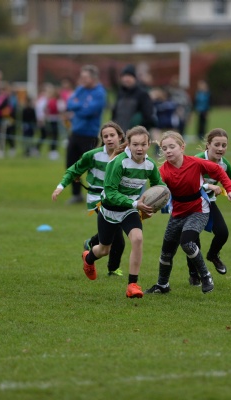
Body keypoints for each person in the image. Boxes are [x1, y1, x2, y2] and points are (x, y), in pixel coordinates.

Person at [145, 130, 231, 295]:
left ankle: (206, 276)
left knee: (187, 243)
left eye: (172, 147)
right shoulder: (163, 171)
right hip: (178, 213)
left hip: (199, 209)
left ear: (182, 147)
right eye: (164, 148)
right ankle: (162, 285)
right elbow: (157, 194)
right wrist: (149, 208)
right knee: (166, 253)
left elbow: (219, 171)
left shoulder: (196, 163)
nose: (168, 151)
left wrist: (230, 189)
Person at [82, 125, 165, 298]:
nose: (139, 148)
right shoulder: (118, 163)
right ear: (128, 144)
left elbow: (159, 187)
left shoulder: (149, 165)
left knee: (138, 238)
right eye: (135, 144)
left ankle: (132, 285)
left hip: (129, 210)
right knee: (104, 249)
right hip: (109, 209)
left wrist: (155, 205)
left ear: (149, 144)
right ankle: (88, 258)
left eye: (143, 144)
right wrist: (135, 204)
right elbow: (110, 193)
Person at [52, 121, 126, 276]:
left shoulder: (127, 155)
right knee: (117, 236)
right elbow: (73, 170)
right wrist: (60, 187)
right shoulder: (93, 155)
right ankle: (112, 268)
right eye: (105, 136)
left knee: (112, 233)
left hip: (117, 198)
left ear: (120, 136)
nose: (109, 138)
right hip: (97, 198)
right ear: (102, 139)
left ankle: (92, 243)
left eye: (112, 135)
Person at [186, 128, 231, 284]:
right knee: (192, 241)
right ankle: (194, 275)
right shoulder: (197, 160)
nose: (220, 148)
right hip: (190, 204)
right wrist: (208, 187)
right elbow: (188, 183)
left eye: (224, 145)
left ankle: (213, 255)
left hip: (208, 203)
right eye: (216, 144)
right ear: (208, 145)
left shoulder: (224, 164)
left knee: (223, 233)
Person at [66, 65, 107, 204]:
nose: (82, 79)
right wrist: (81, 106)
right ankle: (76, 194)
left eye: (85, 77)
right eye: (81, 76)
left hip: (90, 135)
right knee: (71, 165)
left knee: (93, 167)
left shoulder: (99, 92)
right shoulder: (80, 89)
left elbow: (89, 111)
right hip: (75, 132)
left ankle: (99, 195)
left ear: (93, 78)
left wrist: (78, 107)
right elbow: (70, 103)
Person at [111, 64, 156, 133]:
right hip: (120, 134)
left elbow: (148, 117)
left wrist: (138, 132)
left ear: (135, 78)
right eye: (124, 76)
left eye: (129, 76)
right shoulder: (120, 94)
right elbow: (115, 114)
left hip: (134, 135)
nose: (126, 79)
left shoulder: (142, 94)